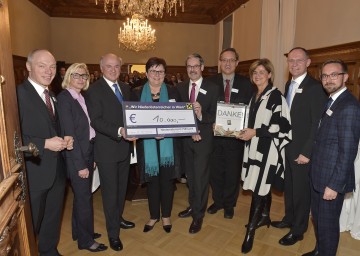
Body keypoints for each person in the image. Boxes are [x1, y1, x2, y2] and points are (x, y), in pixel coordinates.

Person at [17, 49, 73, 256]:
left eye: (52, 67)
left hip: (56, 172)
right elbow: (11, 140)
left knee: (51, 219)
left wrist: (65, 138)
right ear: (29, 67)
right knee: (30, 225)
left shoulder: (52, 95)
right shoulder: (17, 95)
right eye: (42, 65)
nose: (49, 71)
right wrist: (44, 144)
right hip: (34, 172)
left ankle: (49, 251)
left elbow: (53, 129)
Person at [303, 60, 360, 256]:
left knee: (328, 227)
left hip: (330, 181)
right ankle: (319, 250)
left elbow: (348, 151)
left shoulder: (349, 107)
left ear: (345, 77)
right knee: (318, 221)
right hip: (319, 175)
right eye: (325, 76)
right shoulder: (331, 100)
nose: (328, 79)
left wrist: (334, 185)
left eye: (334, 75)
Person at [271, 47, 327, 246]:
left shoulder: (315, 88)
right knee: (290, 188)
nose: (294, 64)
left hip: (301, 151)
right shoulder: (289, 84)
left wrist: (306, 152)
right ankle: (289, 219)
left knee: (302, 192)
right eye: (291, 60)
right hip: (287, 147)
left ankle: (298, 230)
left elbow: (316, 124)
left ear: (308, 63)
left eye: (299, 60)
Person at [236, 58, 291, 254]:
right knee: (262, 185)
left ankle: (250, 232)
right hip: (253, 147)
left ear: (269, 74)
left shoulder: (276, 97)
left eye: (261, 72)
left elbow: (282, 126)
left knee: (259, 187)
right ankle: (265, 215)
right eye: (254, 73)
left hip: (268, 151)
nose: (257, 75)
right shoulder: (255, 96)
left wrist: (256, 132)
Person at [86, 53, 136, 252]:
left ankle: (119, 218)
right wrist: (120, 131)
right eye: (109, 66)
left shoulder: (125, 87)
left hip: (124, 149)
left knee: (121, 189)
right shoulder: (94, 90)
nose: (113, 69)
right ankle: (113, 233)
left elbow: (132, 114)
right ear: (101, 68)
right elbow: (95, 120)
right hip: (106, 150)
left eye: (117, 66)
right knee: (110, 193)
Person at [57, 63, 107, 252]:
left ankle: (80, 231)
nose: (81, 79)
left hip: (87, 151)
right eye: (76, 75)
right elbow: (70, 134)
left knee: (81, 197)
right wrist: (80, 165)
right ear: (68, 76)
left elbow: (87, 129)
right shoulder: (65, 99)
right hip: (76, 155)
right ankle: (86, 241)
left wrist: (90, 157)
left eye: (84, 76)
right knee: (84, 198)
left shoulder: (80, 97)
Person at [131, 57, 181, 234]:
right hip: (147, 146)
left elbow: (179, 119)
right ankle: (153, 216)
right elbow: (132, 120)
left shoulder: (174, 92)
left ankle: (166, 215)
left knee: (167, 182)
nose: (157, 75)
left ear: (165, 74)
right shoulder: (136, 93)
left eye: (160, 71)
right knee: (152, 182)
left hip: (169, 146)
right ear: (146, 73)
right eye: (153, 71)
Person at [207, 48, 253, 219]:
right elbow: (206, 108)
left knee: (233, 173)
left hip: (236, 138)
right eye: (224, 60)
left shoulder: (247, 83)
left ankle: (229, 204)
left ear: (237, 63)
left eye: (231, 60)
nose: (227, 63)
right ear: (219, 62)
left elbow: (251, 110)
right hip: (215, 137)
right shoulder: (210, 82)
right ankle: (217, 201)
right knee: (216, 172)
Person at [177, 53, 219, 234]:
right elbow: (176, 115)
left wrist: (201, 115)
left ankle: (198, 216)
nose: (192, 69)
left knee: (201, 179)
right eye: (189, 66)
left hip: (203, 140)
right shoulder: (179, 88)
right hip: (185, 141)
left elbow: (216, 115)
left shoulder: (213, 88)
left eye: (195, 66)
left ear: (202, 67)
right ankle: (193, 206)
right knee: (191, 178)